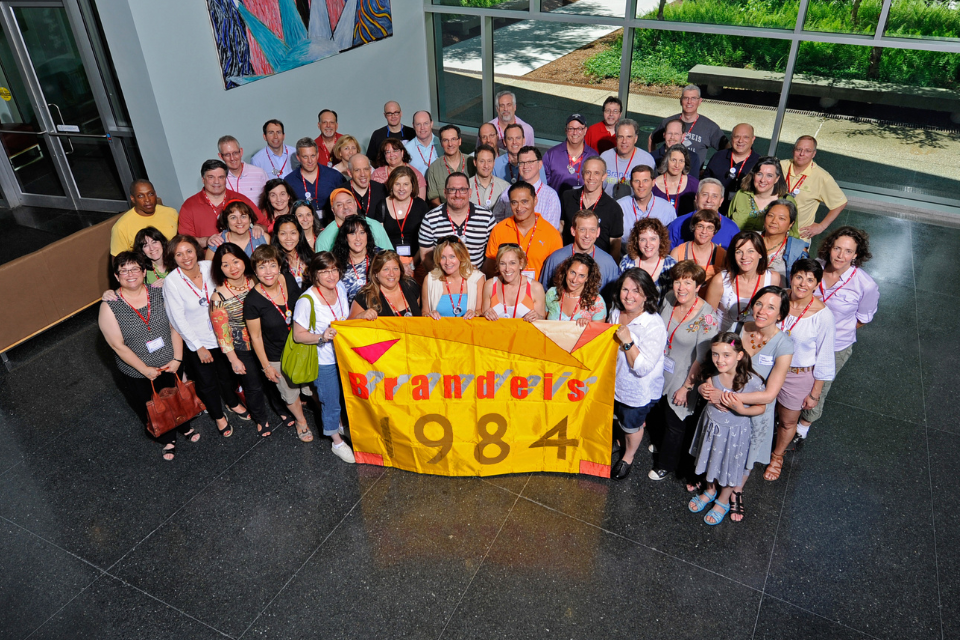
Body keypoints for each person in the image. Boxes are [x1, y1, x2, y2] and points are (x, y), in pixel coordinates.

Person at [697, 286, 793, 521]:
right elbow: (718, 362)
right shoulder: (738, 327)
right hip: (721, 408)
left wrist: (729, 399)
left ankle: (734, 492)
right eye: (759, 303)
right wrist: (707, 387)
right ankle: (711, 486)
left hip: (752, 411)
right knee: (718, 448)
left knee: (745, 455)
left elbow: (770, 394)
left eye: (771, 307)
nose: (762, 311)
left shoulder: (784, 345)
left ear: (780, 315)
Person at [100, 252, 199, 461]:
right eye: (124, 271)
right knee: (152, 405)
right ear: (117, 277)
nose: (130, 274)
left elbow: (175, 326)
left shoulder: (159, 294)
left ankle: (184, 425)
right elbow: (117, 345)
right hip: (138, 371)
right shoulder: (110, 306)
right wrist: (144, 369)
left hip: (171, 361)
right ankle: (166, 437)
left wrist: (178, 359)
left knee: (176, 395)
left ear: (144, 272)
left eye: (135, 268)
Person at [796, 226, 878, 443]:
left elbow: (863, 318)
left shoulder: (866, 285)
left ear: (856, 254)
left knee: (819, 386)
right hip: (802, 337)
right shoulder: (815, 267)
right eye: (837, 248)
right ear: (829, 248)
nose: (841, 256)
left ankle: (803, 427)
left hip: (835, 346)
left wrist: (833, 332)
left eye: (848, 251)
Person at [162, 235, 246, 437]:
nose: (186, 257)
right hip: (198, 341)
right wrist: (198, 346)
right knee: (207, 382)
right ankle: (218, 416)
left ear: (196, 250)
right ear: (173, 258)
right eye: (179, 254)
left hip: (223, 335)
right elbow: (177, 319)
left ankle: (232, 402)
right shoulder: (172, 282)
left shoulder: (210, 266)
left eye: (189, 251)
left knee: (226, 374)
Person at [764, 258, 836, 481]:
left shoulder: (822, 315)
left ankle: (777, 456)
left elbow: (824, 357)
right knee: (761, 413)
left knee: (787, 421)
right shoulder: (777, 298)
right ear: (792, 277)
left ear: (817, 284)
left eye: (810, 280)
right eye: (799, 277)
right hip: (767, 367)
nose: (803, 283)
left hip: (796, 376)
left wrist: (815, 394)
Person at [647, 261, 718, 482]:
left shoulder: (706, 317)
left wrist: (687, 387)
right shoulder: (669, 298)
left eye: (688, 282)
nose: (681, 287)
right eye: (678, 281)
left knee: (676, 422)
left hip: (685, 374)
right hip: (663, 368)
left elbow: (703, 358)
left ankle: (666, 464)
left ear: (698, 286)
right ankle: (661, 445)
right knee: (661, 413)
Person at [686, 333, 766, 526]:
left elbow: (761, 407)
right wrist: (701, 389)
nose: (719, 360)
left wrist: (739, 408)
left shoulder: (751, 381)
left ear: (739, 355)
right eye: (715, 354)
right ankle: (710, 490)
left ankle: (722, 500)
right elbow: (705, 386)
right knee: (710, 459)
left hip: (735, 433)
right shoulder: (713, 373)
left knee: (731, 466)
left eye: (726, 355)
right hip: (712, 427)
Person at [291, 252, 356, 463]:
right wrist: (322, 337)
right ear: (314, 274)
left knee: (343, 398)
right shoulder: (307, 300)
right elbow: (298, 335)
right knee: (330, 401)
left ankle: (338, 425)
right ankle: (337, 442)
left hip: (344, 357)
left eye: (334, 269)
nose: (331, 275)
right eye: (324, 271)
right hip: (324, 360)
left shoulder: (341, 288)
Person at [245, 245, 313, 442]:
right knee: (289, 393)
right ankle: (301, 421)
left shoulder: (288, 279)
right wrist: (266, 366)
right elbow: (255, 337)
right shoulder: (253, 301)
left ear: (279, 266)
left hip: (301, 345)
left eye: (272, 266)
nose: (268, 272)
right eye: (262, 267)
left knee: (311, 386)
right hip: (277, 353)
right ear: (255, 271)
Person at [609, 268, 667, 480]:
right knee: (618, 419)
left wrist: (627, 341)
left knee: (631, 425)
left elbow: (642, 368)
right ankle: (619, 441)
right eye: (625, 289)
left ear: (646, 295)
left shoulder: (654, 325)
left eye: (636, 290)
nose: (629, 296)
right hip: (613, 382)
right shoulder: (616, 312)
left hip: (636, 389)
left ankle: (629, 456)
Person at [209, 243, 272, 437]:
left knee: (273, 378)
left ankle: (284, 410)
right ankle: (261, 419)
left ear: (244, 260)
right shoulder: (218, 296)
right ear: (219, 269)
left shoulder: (257, 280)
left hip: (266, 340)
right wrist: (233, 360)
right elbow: (223, 334)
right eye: (225, 264)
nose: (233, 267)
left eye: (236, 261)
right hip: (242, 347)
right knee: (253, 385)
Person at [703, 230, 782, 332]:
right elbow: (707, 318)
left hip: (755, 339)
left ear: (760, 253)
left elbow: (775, 315)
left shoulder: (773, 278)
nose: (744, 257)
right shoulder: (720, 280)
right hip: (723, 341)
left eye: (751, 251)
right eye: (739, 251)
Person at [178, 159, 263, 250]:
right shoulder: (189, 206)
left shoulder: (241, 200)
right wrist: (207, 241)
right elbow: (184, 241)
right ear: (203, 179)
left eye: (221, 177)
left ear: (226, 179)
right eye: (211, 177)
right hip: (207, 260)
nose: (216, 182)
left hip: (241, 258)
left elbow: (264, 225)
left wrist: (258, 227)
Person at [486, 181, 563, 281]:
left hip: (537, 294)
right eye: (514, 202)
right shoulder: (499, 229)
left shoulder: (551, 234)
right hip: (506, 292)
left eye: (524, 202)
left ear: (535, 200)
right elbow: (490, 268)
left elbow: (557, 272)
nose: (519, 208)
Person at [418, 172, 496, 271]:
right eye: (452, 190)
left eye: (462, 189)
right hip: (443, 281)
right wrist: (442, 280)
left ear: (470, 192)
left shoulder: (487, 218)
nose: (457, 195)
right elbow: (426, 257)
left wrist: (480, 280)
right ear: (445, 193)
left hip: (476, 281)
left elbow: (492, 257)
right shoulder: (430, 219)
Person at [780, 136, 847, 244]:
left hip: (798, 238)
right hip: (771, 232)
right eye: (799, 149)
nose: (802, 154)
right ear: (793, 150)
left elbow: (840, 203)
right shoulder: (779, 166)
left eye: (807, 151)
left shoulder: (822, 177)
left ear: (813, 154)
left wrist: (821, 226)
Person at [539, 209, 620, 298]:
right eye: (582, 229)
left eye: (592, 230)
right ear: (573, 231)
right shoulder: (556, 258)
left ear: (598, 232)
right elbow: (543, 293)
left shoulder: (608, 263)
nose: (587, 235)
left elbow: (612, 300)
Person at [371, 166, 428, 277]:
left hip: (417, 261)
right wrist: (396, 265)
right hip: (389, 262)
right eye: (397, 184)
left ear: (412, 186)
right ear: (391, 185)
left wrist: (412, 265)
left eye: (406, 184)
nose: (401, 188)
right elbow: (380, 241)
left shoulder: (421, 206)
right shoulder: (382, 205)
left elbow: (426, 241)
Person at [559, 157, 622, 257]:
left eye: (596, 173)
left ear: (604, 176)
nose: (591, 177)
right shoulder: (567, 197)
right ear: (582, 174)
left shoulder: (613, 208)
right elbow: (560, 228)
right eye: (588, 172)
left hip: (597, 264)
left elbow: (615, 245)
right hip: (568, 259)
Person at [648, 85, 727, 162]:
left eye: (693, 98)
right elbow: (652, 139)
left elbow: (727, 147)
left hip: (694, 173)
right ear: (681, 100)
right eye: (686, 98)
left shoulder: (710, 127)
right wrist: (653, 162)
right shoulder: (669, 123)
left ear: (700, 101)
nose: (689, 102)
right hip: (669, 172)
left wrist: (711, 168)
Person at [491, 146, 561, 229]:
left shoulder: (550, 196)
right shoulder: (507, 192)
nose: (525, 166)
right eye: (521, 163)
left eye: (530, 162)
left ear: (540, 164)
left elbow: (551, 232)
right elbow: (496, 223)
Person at [728, 157, 797, 235]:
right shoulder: (741, 194)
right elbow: (727, 224)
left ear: (777, 179)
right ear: (753, 175)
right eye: (759, 174)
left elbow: (793, 235)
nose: (763, 180)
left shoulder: (787, 201)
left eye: (769, 176)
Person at [422, 236, 485, 319]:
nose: (447, 262)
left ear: (461, 256)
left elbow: (481, 311)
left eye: (452, 256)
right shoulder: (430, 279)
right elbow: (424, 312)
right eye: (443, 257)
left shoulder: (477, 278)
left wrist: (475, 313)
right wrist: (429, 314)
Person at [111, 179, 179, 256]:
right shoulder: (121, 227)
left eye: (150, 194)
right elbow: (118, 262)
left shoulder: (171, 212)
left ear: (155, 194)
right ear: (133, 199)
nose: (147, 200)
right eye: (140, 196)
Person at [667, 179, 740, 249]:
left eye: (714, 196)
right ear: (696, 197)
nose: (709, 200)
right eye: (705, 194)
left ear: (721, 201)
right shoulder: (678, 224)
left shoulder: (732, 229)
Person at [315, 188, 394, 253]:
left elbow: (389, 255)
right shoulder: (324, 238)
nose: (345, 207)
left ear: (355, 204)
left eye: (349, 202)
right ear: (333, 210)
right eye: (339, 205)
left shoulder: (374, 225)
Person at [703, 123, 760, 213]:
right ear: (731, 138)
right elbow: (705, 184)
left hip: (744, 213)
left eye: (746, 137)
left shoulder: (759, 163)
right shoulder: (718, 157)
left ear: (753, 139)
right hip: (715, 211)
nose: (740, 141)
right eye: (737, 136)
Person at [349, 250, 422, 318]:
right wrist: (360, 316)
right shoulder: (365, 296)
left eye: (395, 268)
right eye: (386, 269)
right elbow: (348, 326)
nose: (391, 274)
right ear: (376, 273)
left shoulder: (411, 285)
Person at [284, 137, 346, 217]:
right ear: (298, 158)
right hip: (302, 227)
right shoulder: (289, 181)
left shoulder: (334, 176)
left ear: (317, 155)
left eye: (312, 156)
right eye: (305, 157)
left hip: (332, 225)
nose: (310, 161)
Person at [481, 244, 546, 321]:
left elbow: (542, 323)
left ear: (521, 264)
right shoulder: (490, 285)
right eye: (502, 263)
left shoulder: (535, 288)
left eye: (512, 263)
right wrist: (485, 314)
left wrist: (538, 317)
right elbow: (482, 320)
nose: (507, 269)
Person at [618, 164, 676, 248]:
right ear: (631, 183)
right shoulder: (620, 206)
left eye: (645, 180)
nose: (641, 185)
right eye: (637, 181)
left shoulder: (667, 209)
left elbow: (670, 241)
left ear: (653, 182)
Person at [619, 218, 676, 300]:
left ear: (660, 240)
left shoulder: (670, 265)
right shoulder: (627, 261)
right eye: (643, 239)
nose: (648, 244)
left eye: (653, 239)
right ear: (636, 241)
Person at [542, 114, 599, 195]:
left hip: (584, 206)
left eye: (579, 128)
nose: (575, 133)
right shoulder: (551, 154)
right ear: (566, 130)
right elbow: (543, 184)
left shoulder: (593, 156)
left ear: (585, 130)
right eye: (571, 129)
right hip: (557, 205)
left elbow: (598, 185)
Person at [601, 119, 656, 200]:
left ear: (636, 139)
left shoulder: (647, 160)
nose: (624, 141)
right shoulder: (604, 157)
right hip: (608, 206)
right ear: (616, 138)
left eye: (629, 137)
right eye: (621, 137)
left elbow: (652, 191)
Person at [545, 253, 606, 325]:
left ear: (588, 278)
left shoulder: (597, 302)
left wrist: (588, 326)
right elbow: (542, 324)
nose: (574, 280)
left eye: (581, 276)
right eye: (573, 272)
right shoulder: (552, 293)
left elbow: (598, 334)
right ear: (566, 271)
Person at [669, 209, 727, 282]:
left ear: (714, 230)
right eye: (700, 226)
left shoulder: (722, 255)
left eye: (709, 227)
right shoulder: (677, 252)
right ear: (693, 227)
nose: (704, 231)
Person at [331, 215, 377, 305]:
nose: (358, 238)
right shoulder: (336, 263)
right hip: (351, 316)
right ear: (345, 237)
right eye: (352, 233)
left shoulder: (379, 256)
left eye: (362, 232)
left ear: (367, 235)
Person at [426, 124, 474, 206]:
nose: (450, 144)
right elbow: (434, 199)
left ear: (460, 141)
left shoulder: (472, 162)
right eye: (445, 140)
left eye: (453, 139)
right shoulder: (434, 169)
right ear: (441, 143)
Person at [204, 200, 269, 259]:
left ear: (250, 219)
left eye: (243, 216)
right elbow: (208, 270)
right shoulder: (217, 243)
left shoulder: (263, 238)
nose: (239, 221)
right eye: (233, 218)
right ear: (226, 221)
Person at [762, 199, 808, 282]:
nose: (774, 221)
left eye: (781, 218)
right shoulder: (749, 240)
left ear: (791, 224)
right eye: (770, 215)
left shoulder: (797, 250)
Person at [218, 135, 268, 204]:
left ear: (241, 152)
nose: (232, 158)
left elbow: (269, 201)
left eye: (235, 153)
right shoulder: (218, 179)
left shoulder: (259, 173)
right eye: (227, 155)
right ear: (221, 156)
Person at [652, 144, 699, 217]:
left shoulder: (693, 185)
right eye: (673, 160)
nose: (677, 165)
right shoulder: (653, 185)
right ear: (666, 161)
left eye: (681, 161)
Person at [270, 213, 313, 287]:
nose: (288, 238)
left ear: (299, 234)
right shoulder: (273, 261)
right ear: (276, 236)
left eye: (293, 233)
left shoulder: (310, 255)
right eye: (283, 234)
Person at [341, 154, 386, 219]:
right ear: (349, 173)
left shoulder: (381, 190)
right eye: (357, 170)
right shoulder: (341, 193)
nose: (362, 174)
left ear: (370, 170)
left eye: (366, 169)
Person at [469, 144, 509, 211]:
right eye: (482, 161)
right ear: (475, 162)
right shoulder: (466, 186)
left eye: (489, 161)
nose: (486, 166)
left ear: (494, 162)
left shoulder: (505, 187)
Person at [404, 110, 441, 176]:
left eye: (426, 123)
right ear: (413, 126)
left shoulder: (442, 145)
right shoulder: (406, 149)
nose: (422, 128)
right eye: (418, 124)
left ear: (431, 124)